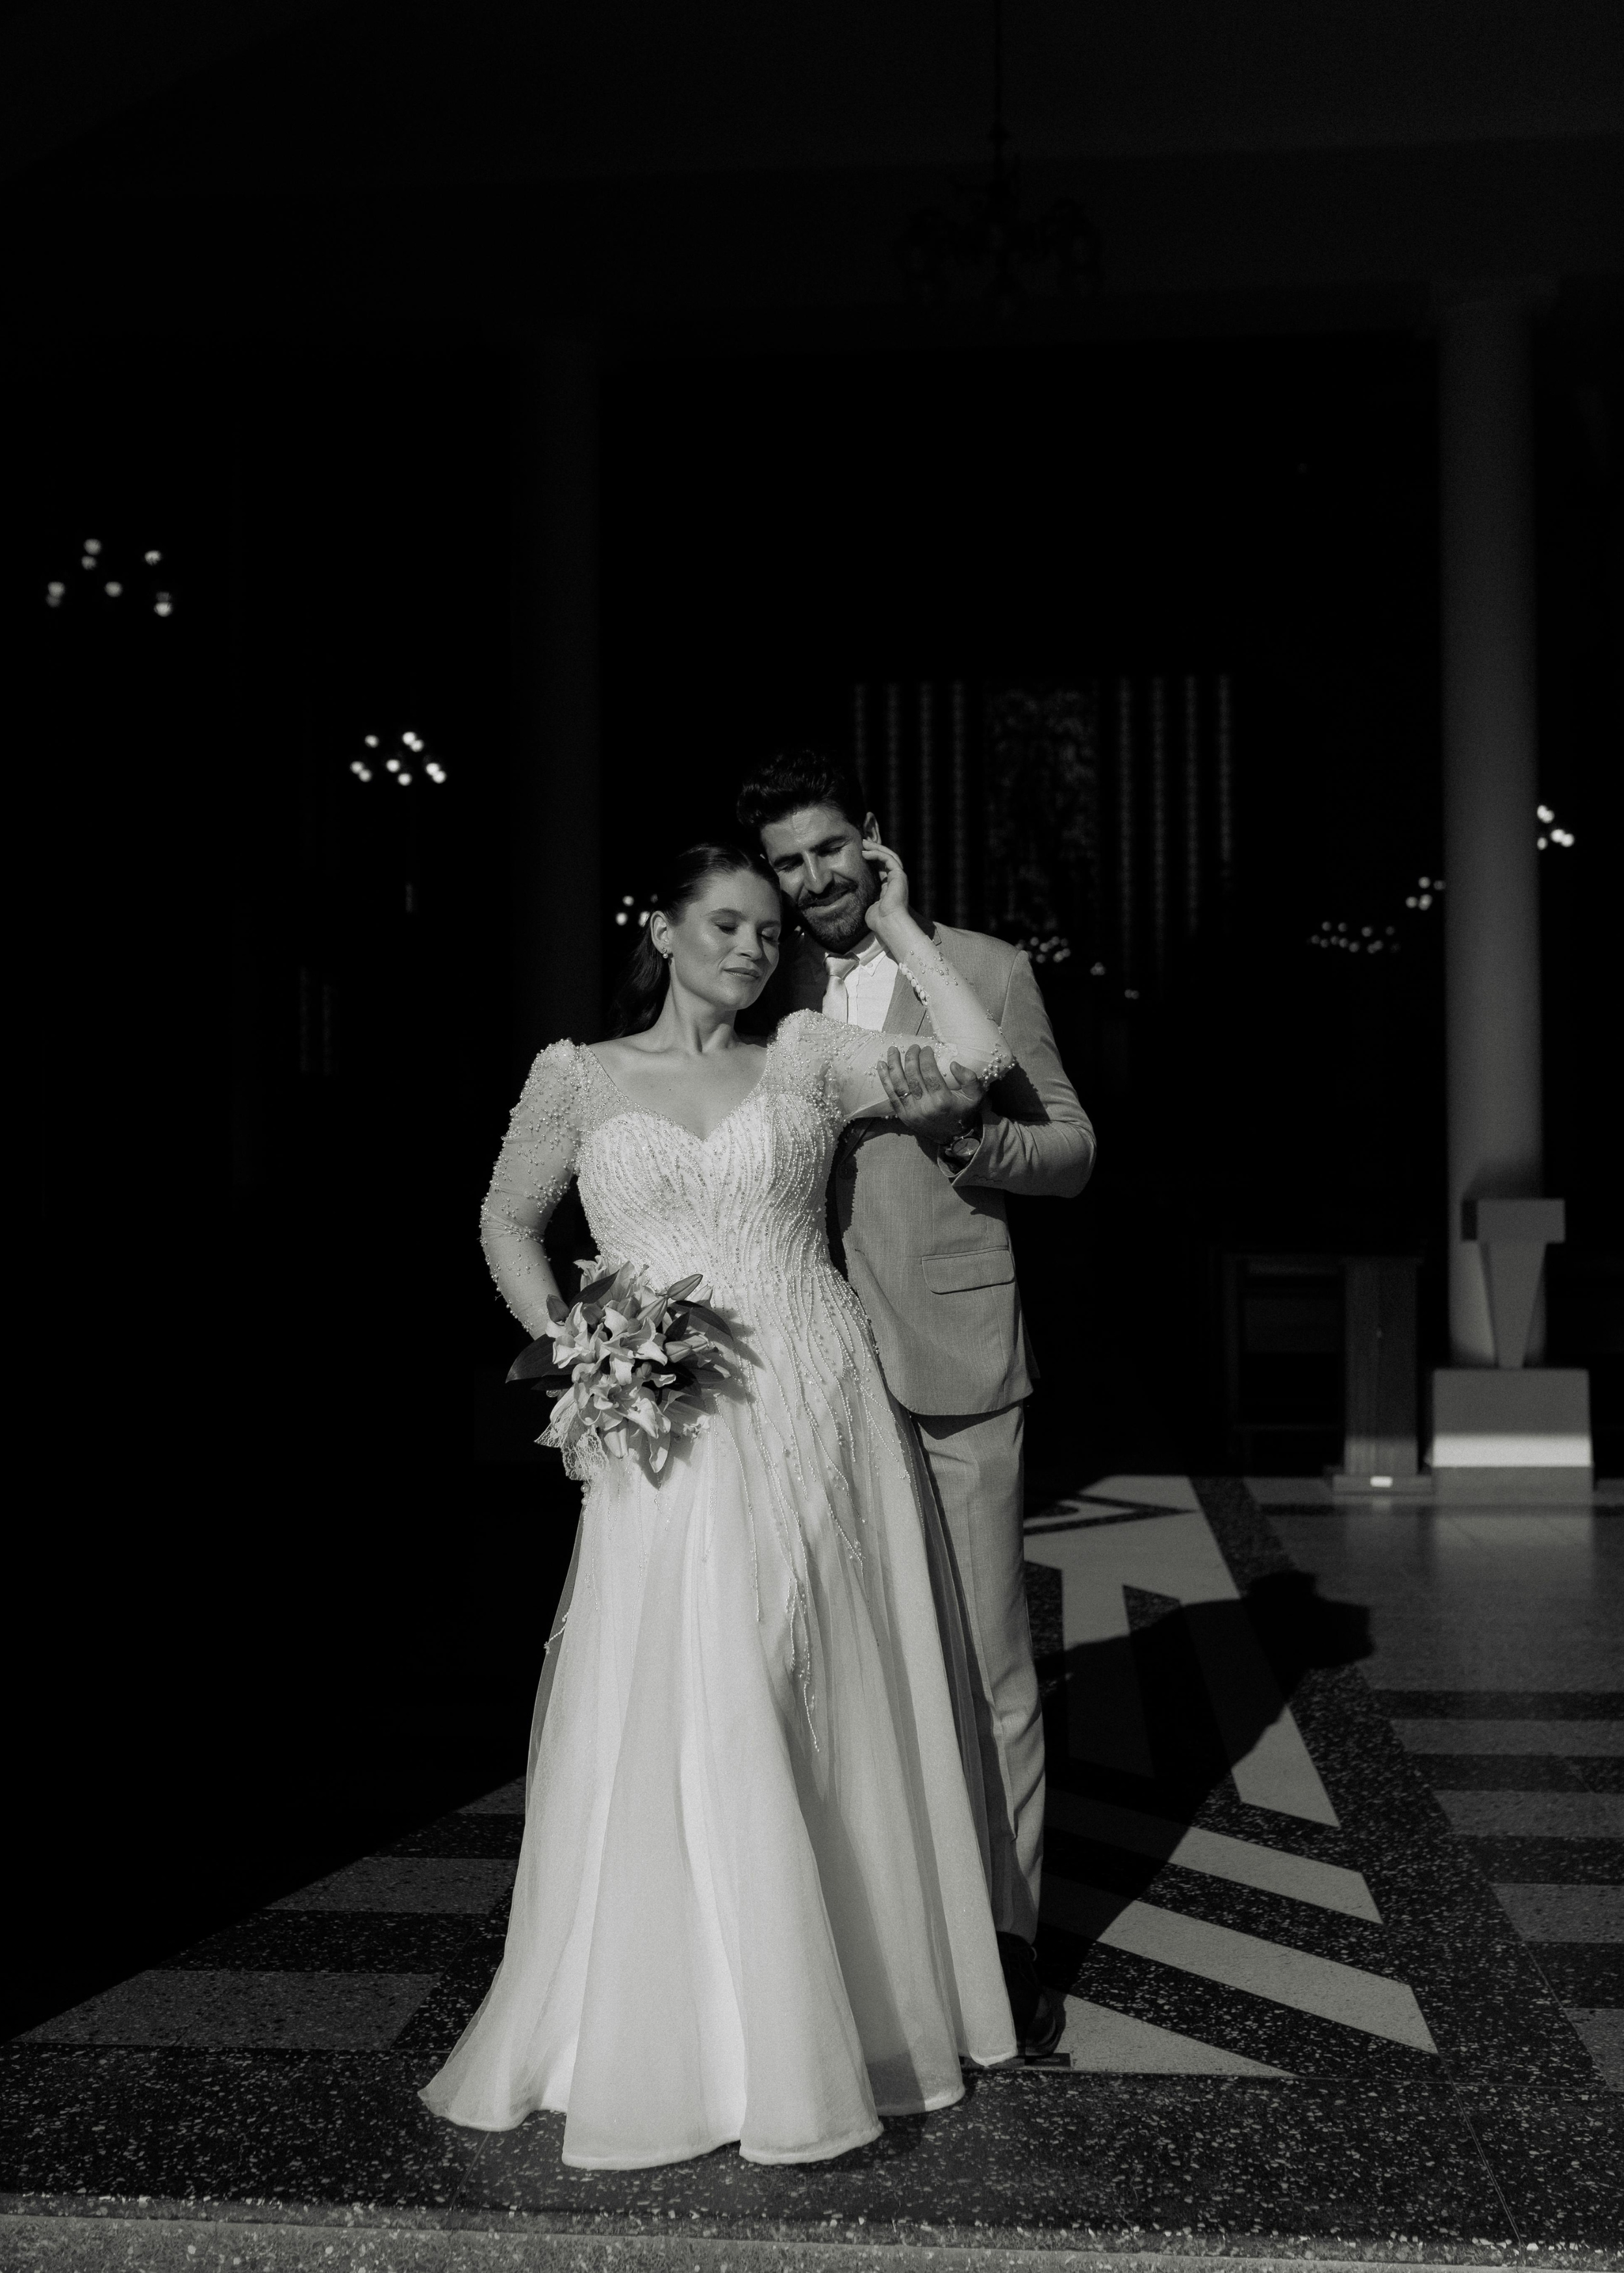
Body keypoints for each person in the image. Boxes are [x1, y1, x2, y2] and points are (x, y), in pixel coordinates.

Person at [422, 839, 1021, 2168]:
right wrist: (576, 1343)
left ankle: (833, 2021)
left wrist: (899, 924)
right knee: (688, 1683)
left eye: (768, 932)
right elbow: (506, 1221)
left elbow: (975, 1061)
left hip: (814, 1398)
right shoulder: (577, 1077)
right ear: (663, 928)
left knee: (804, 1676)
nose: (752, 949)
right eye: (728, 925)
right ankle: (691, 2030)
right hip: (663, 1419)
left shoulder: (804, 1054)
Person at [738, 750, 1096, 2059]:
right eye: (787, 862)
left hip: (953, 1354)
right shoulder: (756, 984)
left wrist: (965, 1137)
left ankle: (1007, 1943)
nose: (812, 878)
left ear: (873, 838)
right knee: (832, 1663)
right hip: (800, 1371)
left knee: (990, 1667)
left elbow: (1072, 1151)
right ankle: (871, 1940)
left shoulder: (982, 968)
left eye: (829, 848)